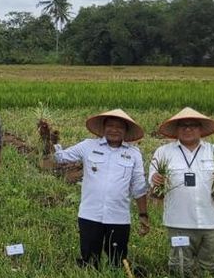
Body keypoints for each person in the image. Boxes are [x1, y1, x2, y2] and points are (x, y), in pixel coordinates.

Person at [54, 109, 149, 268]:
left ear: (125, 131)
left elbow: (139, 186)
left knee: (117, 260)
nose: (114, 130)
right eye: (110, 125)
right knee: (89, 260)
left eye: (119, 127)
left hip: (119, 217)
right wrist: (50, 142)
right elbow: (61, 157)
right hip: (90, 214)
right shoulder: (88, 146)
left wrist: (143, 215)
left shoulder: (133, 153)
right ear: (103, 128)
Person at [149, 107, 214, 278]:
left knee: (210, 266)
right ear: (176, 130)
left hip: (211, 221)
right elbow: (152, 177)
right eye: (183, 125)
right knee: (180, 266)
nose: (188, 129)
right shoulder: (163, 152)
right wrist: (156, 179)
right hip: (178, 221)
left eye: (193, 125)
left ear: (201, 129)